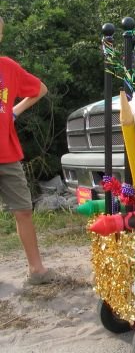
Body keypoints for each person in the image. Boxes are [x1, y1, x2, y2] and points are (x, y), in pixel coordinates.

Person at [0, 15, 56, 285]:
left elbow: (40, 89)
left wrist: (14, 111)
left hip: (7, 153)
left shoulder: (7, 67)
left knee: (23, 210)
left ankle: (37, 271)